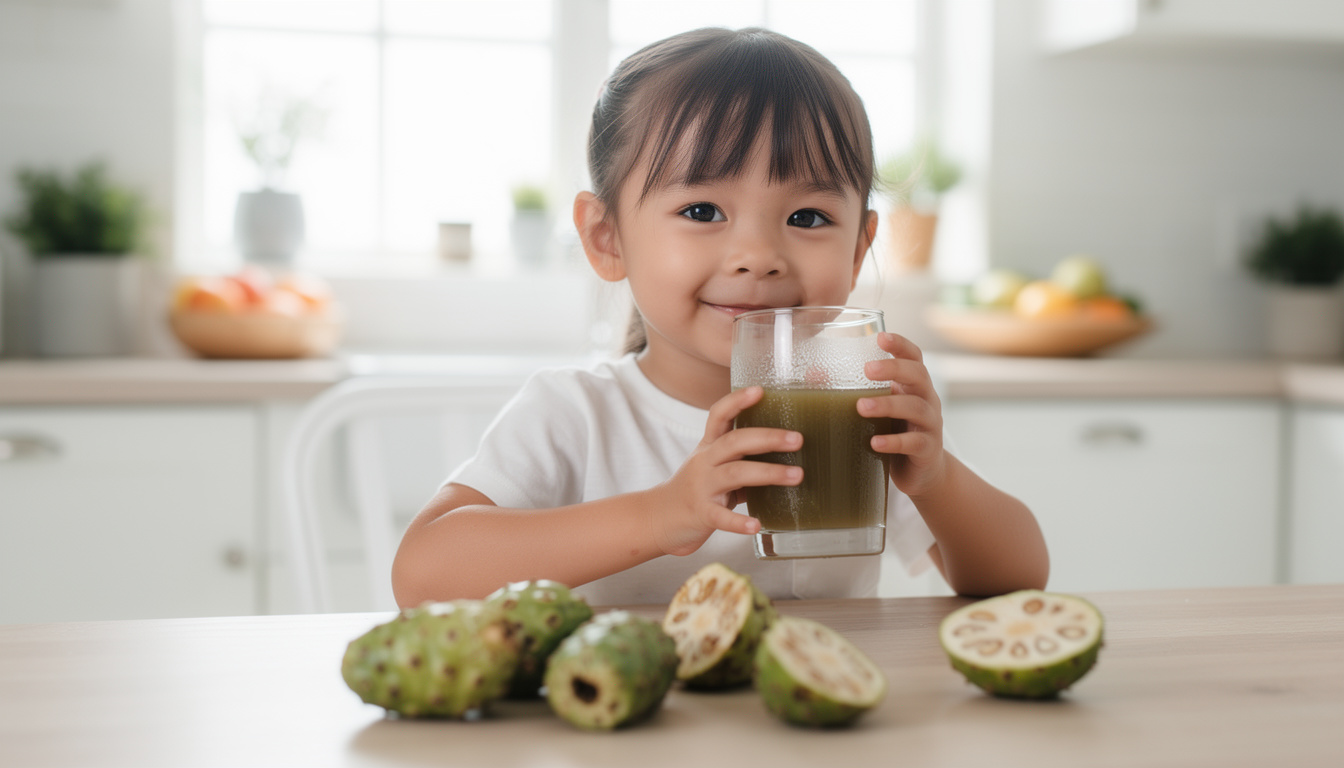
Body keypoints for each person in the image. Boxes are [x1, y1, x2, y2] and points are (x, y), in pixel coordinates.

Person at [392, 27, 1048, 607]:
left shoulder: (859, 410)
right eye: (703, 211)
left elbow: (1019, 582)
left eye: (808, 217)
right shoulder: (576, 415)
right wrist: (661, 514)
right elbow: (423, 574)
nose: (758, 257)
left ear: (858, 250)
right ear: (606, 237)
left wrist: (936, 480)